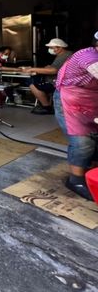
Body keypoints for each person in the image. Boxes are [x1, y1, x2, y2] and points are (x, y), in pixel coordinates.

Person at [54, 31, 98, 200]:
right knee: (82, 140)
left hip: (92, 100)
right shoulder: (87, 56)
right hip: (71, 100)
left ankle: (92, 172)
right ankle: (76, 180)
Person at [22, 38, 72, 115]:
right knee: (34, 78)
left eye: (52, 48)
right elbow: (55, 67)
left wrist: (32, 69)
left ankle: (46, 107)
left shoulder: (64, 55)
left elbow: (53, 71)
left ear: (60, 47)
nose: (50, 50)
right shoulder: (64, 54)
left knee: (31, 82)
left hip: (57, 82)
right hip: (59, 80)